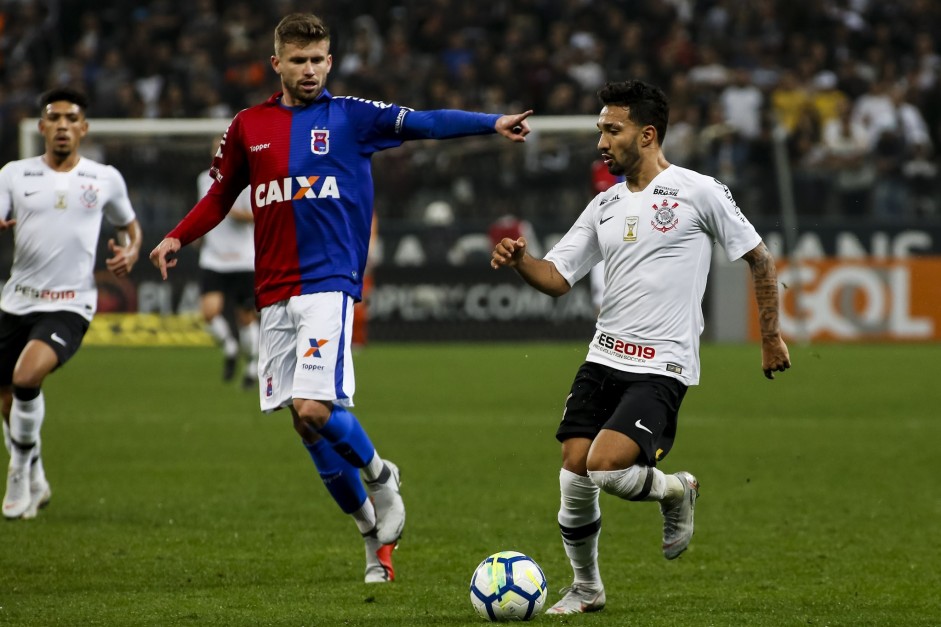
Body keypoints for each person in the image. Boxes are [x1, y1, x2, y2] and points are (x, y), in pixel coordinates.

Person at [149, 12, 532, 583]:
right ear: (276, 63)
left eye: (317, 59)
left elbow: (425, 122)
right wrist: (178, 235)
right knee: (305, 426)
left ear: (331, 61)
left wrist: (490, 121)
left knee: (313, 408)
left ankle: (382, 477)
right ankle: (369, 536)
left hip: (330, 283)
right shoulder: (248, 125)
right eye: (297, 60)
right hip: (273, 290)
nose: (308, 70)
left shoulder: (353, 116)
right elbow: (222, 193)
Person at [491, 80, 790, 615]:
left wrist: (770, 336)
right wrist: (521, 262)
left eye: (612, 130)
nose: (601, 142)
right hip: (603, 356)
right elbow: (558, 277)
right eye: (600, 130)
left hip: (663, 363)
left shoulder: (699, 191)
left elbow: (760, 259)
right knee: (574, 470)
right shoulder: (603, 204)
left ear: (646, 134)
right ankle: (586, 589)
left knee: (606, 467)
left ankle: (676, 491)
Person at [0, 87, 142, 520]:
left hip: (70, 303)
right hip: (16, 301)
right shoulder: (13, 174)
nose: (63, 125)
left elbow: (129, 227)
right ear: (42, 127)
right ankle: (38, 475)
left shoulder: (104, 178)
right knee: (7, 399)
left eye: (71, 118)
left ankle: (19, 470)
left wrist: (131, 250)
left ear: (84, 128)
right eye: (54, 117)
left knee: (26, 377)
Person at [196, 137, 258, 388]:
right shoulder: (203, 179)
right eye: (216, 151)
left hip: (243, 259)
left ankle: (253, 364)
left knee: (246, 317)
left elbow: (257, 215)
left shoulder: (248, 180)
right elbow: (203, 210)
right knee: (209, 312)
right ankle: (230, 347)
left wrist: (228, 210)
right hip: (214, 258)